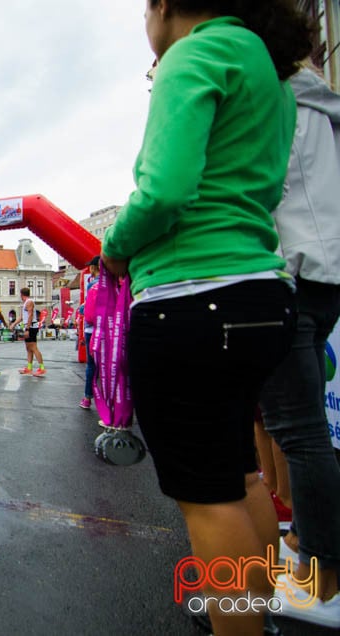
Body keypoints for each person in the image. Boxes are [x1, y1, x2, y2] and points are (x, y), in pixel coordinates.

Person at [100, 3, 313, 634]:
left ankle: (238, 622)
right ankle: (256, 612)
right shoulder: (268, 71)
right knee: (240, 473)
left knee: (207, 496)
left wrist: (115, 247)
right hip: (260, 292)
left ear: (164, 6)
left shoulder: (190, 56)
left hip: (190, 295)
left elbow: (163, 190)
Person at [257, 63, 340, 623]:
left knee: (298, 431)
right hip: (323, 271)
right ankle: (311, 549)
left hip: (293, 271)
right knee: (301, 427)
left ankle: (324, 577)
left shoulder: (276, 95)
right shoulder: (319, 103)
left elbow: (264, 188)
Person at [79, 256, 100, 408]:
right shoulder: (115, 283)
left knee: (91, 365)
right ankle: (109, 403)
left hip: (91, 329)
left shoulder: (92, 284)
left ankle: (87, 398)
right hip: (109, 328)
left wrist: (80, 309)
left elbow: (87, 308)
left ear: (93, 268)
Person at [18, 287, 45, 377]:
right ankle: (29, 368)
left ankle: (42, 368)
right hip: (28, 326)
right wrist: (13, 324)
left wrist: (27, 329)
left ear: (21, 294)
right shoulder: (25, 303)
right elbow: (22, 317)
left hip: (31, 327)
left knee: (33, 347)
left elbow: (30, 315)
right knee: (28, 348)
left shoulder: (29, 302)